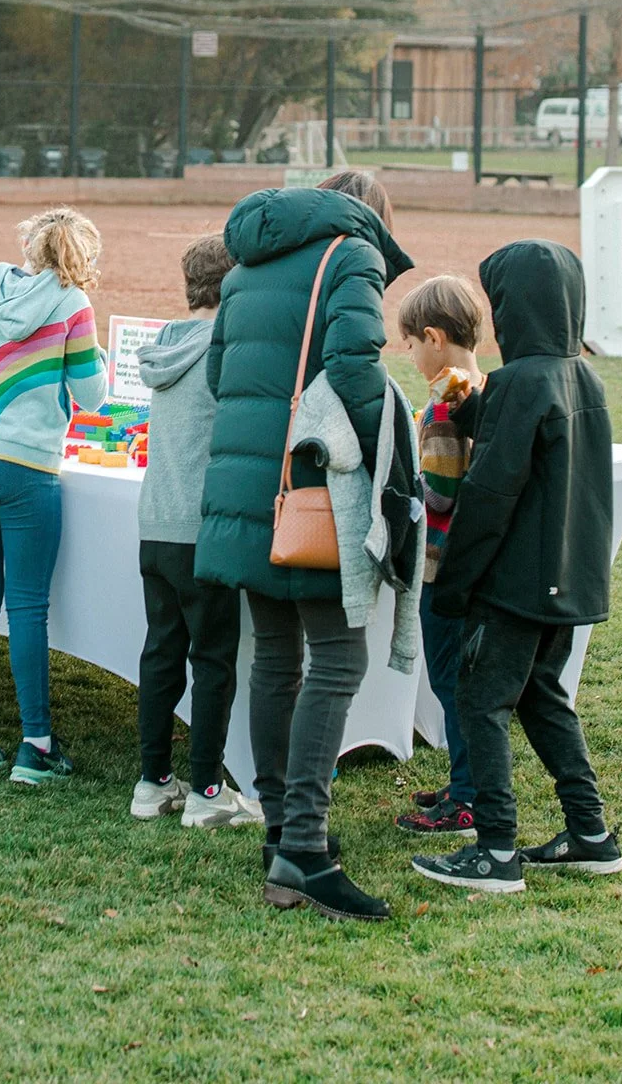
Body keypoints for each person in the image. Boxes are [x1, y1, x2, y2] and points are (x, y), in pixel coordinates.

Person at [195, 171, 413, 924]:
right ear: (369, 215)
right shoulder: (351, 254)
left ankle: (282, 828)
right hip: (314, 485)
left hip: (248, 490)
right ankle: (306, 848)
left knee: (279, 661)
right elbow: (356, 370)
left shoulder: (247, 263)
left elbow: (221, 374)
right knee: (339, 660)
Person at [412, 240, 622, 895]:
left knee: (481, 701)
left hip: (515, 581)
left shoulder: (521, 381)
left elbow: (490, 495)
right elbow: (539, 451)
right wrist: (473, 405)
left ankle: (495, 852)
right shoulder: (576, 375)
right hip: (566, 574)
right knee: (540, 697)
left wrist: (454, 586)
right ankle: (589, 834)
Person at [0, 207, 108, 785]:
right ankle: (35, 743)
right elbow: (92, 396)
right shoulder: (73, 305)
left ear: (28, 245)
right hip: (28, 464)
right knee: (27, 605)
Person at [130, 234, 261, 830]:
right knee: (213, 660)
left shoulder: (164, 341)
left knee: (161, 651)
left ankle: (153, 781)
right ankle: (208, 788)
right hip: (203, 527)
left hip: (155, 524)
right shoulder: (227, 347)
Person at [393, 275, 485, 836]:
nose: (408, 355)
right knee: (460, 681)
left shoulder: (446, 407)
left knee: (452, 681)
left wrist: (404, 477)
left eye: (410, 343)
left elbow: (441, 492)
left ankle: (469, 796)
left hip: (441, 564)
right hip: (469, 564)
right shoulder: (482, 387)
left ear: (433, 337)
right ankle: (465, 780)